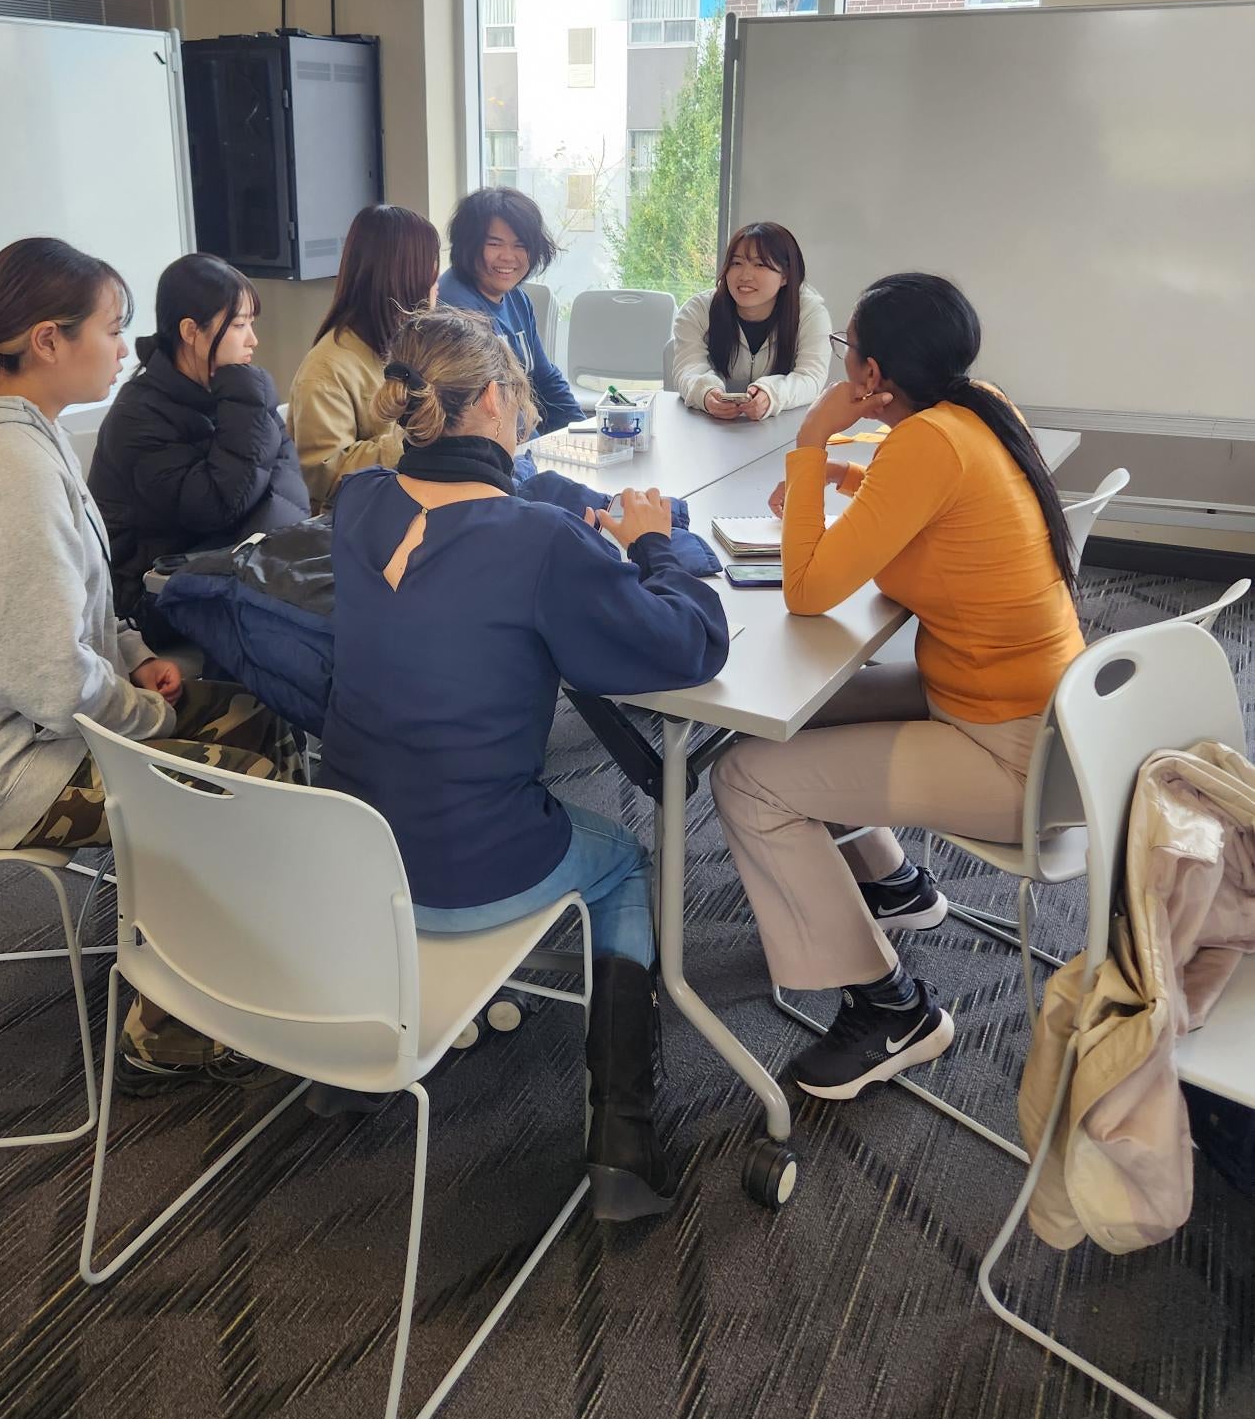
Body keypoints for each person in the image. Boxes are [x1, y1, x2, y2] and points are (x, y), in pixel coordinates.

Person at [321, 306, 729, 1221]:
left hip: (348, 861)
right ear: (500, 399)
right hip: (470, 865)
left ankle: (347, 1060)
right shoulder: (541, 544)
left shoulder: (357, 504)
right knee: (625, 859)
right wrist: (655, 541)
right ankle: (622, 1139)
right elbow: (689, 646)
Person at [0, 237, 306, 1097]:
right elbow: (40, 675)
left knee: (257, 715)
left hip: (32, 722)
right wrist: (147, 718)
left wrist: (139, 656)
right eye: (113, 332)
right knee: (237, 786)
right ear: (48, 340)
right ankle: (173, 1031)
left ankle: (236, 958)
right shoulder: (8, 472)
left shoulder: (26, 437)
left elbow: (77, 607)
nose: (128, 350)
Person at [711, 272, 1084, 1103]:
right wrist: (850, 486)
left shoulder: (929, 442)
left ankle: (894, 1009)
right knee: (786, 721)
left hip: (1012, 753)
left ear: (874, 375)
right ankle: (893, 881)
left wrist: (813, 444)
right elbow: (928, 510)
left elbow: (807, 589)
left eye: (847, 348)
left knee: (745, 780)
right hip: (1036, 709)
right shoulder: (978, 407)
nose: (844, 363)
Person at [88, 252, 308, 629]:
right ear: (191, 332)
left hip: (234, 572)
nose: (253, 340)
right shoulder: (138, 416)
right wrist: (249, 397)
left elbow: (289, 488)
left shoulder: (238, 394)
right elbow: (218, 504)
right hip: (152, 593)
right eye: (239, 325)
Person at [288, 205, 440, 510]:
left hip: (412, 504)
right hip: (358, 527)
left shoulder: (410, 345)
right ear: (405, 279)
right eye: (432, 272)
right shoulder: (327, 369)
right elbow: (324, 476)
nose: (437, 285)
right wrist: (419, 438)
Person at [436, 188, 583, 437]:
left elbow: (545, 379)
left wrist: (582, 431)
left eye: (520, 245)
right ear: (468, 246)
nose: (508, 257)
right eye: (494, 244)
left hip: (518, 443)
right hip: (487, 452)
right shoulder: (455, 308)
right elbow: (492, 406)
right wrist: (536, 457)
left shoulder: (517, 298)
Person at [670, 220, 831, 422]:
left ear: (786, 276)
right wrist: (706, 393)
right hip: (711, 428)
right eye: (736, 263)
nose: (745, 275)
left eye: (760, 264)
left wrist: (771, 395)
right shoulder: (698, 310)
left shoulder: (810, 313)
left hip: (782, 429)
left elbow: (811, 377)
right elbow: (688, 369)